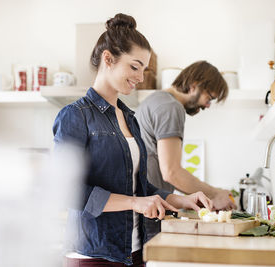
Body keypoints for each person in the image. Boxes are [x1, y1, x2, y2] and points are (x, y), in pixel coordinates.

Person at [53, 14, 213, 267]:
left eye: (144, 69)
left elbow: (140, 189)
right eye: (134, 67)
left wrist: (183, 200)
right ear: (108, 59)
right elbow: (67, 191)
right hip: (95, 255)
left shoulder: (130, 118)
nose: (140, 77)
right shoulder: (76, 116)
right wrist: (135, 203)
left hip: (135, 251)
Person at [135, 60, 237, 241]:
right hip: (150, 211)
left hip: (144, 208)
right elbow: (172, 172)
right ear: (194, 85)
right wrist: (215, 194)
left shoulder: (155, 100)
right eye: (210, 98)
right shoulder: (170, 107)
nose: (208, 106)